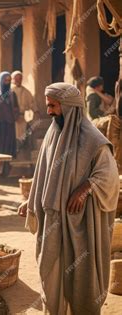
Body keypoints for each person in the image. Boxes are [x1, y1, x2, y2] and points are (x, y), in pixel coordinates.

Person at [18, 82, 119, 315]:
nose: (50, 111)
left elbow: (109, 176)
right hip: (53, 221)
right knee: (50, 272)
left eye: (53, 106)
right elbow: (44, 173)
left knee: (81, 276)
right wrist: (32, 200)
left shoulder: (93, 139)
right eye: (48, 106)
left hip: (80, 222)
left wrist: (85, 188)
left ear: (70, 106)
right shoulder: (53, 134)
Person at [0, 71, 19, 176]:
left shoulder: (12, 94)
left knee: (8, 148)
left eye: (9, 80)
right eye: (5, 80)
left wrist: (14, 116)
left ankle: (6, 172)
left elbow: (16, 108)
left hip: (9, 125)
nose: (7, 82)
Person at [11, 71, 35, 144]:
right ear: (13, 79)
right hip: (12, 119)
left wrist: (36, 112)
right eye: (16, 79)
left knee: (22, 138)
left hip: (22, 118)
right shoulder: (9, 92)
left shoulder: (26, 92)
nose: (18, 80)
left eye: (20, 78)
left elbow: (32, 104)